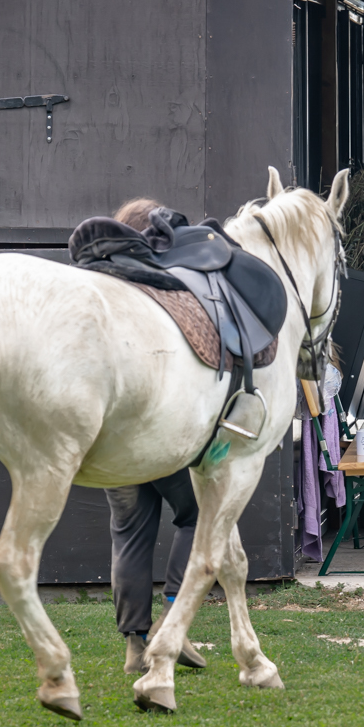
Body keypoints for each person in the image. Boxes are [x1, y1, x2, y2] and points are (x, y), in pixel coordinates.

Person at [103, 198, 208, 677]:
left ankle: (134, 645)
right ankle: (173, 622)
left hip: (113, 444)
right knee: (198, 514)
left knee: (129, 537)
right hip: (158, 435)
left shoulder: (104, 291)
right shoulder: (163, 290)